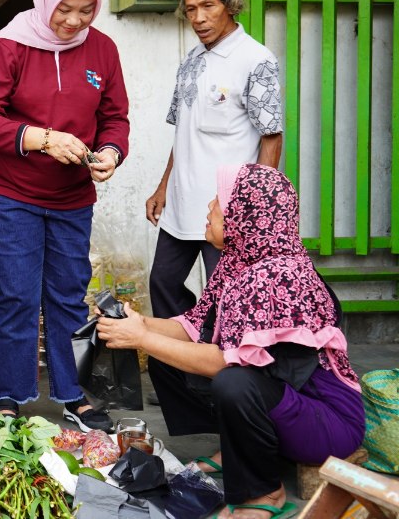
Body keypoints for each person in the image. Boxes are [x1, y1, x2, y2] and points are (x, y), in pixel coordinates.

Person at [98, 164, 364, 519]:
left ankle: (264, 494)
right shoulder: (239, 261)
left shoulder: (277, 275)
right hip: (287, 402)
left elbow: (227, 362)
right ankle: (237, 448)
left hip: (327, 424)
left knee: (233, 382)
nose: (209, 209)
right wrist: (141, 324)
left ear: (246, 215)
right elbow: (194, 326)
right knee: (168, 355)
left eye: (220, 203)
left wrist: (143, 337)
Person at [0, 0, 129, 430]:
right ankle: (10, 397)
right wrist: (42, 139)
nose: (73, 21)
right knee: (16, 296)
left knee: (67, 294)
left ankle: (73, 394)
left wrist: (112, 154)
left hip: (72, 196)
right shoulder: (8, 45)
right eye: (64, 8)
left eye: (85, 10)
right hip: (10, 192)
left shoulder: (102, 49)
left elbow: (115, 117)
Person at [145, 0, 283, 325]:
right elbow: (185, 133)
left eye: (208, 6)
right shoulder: (191, 60)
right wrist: (163, 187)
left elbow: (271, 135)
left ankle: (217, 372)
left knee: (227, 297)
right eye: (191, 9)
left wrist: (254, 205)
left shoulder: (256, 59)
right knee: (163, 284)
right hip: (180, 204)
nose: (199, 17)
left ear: (230, 6)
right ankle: (187, 366)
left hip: (225, 210)